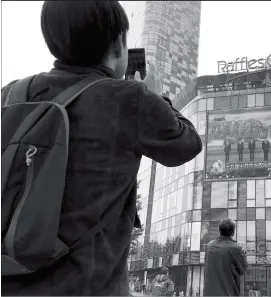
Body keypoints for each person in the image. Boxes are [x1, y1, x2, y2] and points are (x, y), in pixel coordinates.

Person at [1, 2, 202, 295]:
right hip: (87, 285)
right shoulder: (129, 98)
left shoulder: (12, 93)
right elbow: (187, 144)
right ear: (119, 42)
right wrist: (158, 97)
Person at [204, 218, 247, 296]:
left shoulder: (209, 246)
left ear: (219, 230)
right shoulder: (235, 248)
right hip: (227, 293)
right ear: (233, 232)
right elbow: (243, 269)